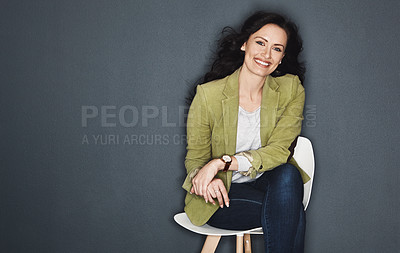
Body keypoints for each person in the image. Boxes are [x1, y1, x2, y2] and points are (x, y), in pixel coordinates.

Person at [182, 11, 310, 252]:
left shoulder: (291, 89)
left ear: (282, 58)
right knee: (291, 211)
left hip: (266, 182)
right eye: (260, 43)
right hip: (221, 194)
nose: (266, 54)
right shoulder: (208, 95)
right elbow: (195, 159)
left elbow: (279, 151)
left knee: (288, 175)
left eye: (277, 48)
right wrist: (204, 176)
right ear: (244, 44)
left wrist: (223, 162)